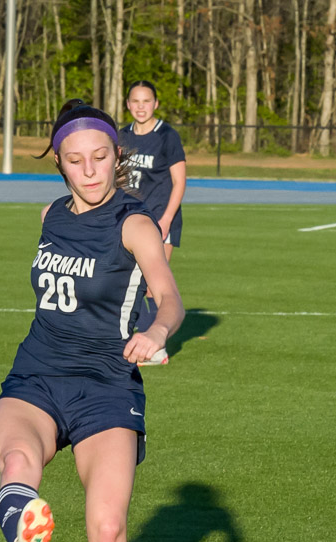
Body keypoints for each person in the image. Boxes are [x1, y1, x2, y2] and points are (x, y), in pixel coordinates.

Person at [0, 100, 184, 542]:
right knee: (18, 467)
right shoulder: (48, 215)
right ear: (60, 164)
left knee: (106, 526)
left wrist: (155, 332)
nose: (91, 171)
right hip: (38, 375)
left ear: (116, 156)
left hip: (106, 386)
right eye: (75, 161)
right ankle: (25, 528)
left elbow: (169, 296)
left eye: (100, 157)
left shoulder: (134, 223)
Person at [119, 80, 187, 365]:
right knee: (126, 281)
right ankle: (132, 339)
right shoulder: (121, 136)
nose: (141, 107)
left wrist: (166, 219)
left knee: (151, 283)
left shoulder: (166, 136)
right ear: (128, 105)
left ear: (156, 104)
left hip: (160, 219)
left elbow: (179, 181)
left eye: (146, 101)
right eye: (135, 101)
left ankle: (155, 346)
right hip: (131, 221)